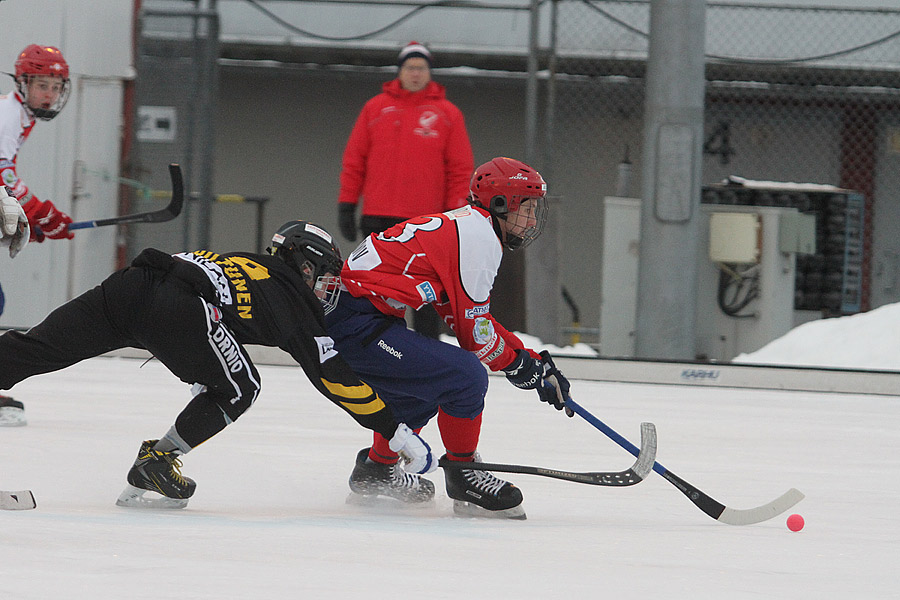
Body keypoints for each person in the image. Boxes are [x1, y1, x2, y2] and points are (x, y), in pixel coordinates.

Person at [0, 221, 435, 507]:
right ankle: (158, 461)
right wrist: (393, 428)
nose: (325, 289)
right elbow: (333, 378)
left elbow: (205, 309)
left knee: (36, 348)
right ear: (304, 267)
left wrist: (199, 367)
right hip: (177, 306)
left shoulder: (250, 265)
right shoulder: (293, 298)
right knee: (240, 387)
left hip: (132, 284)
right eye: (324, 277)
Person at [326, 157, 573, 520]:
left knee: (429, 380)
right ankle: (464, 476)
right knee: (463, 375)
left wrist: (528, 359)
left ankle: (377, 470)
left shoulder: (467, 228)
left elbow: (468, 319)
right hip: (355, 323)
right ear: (500, 204)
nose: (533, 220)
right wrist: (521, 366)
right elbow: (476, 338)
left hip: (359, 319)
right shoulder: (480, 239)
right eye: (527, 208)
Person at [337, 41, 474, 339]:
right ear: (399, 71)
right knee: (375, 289)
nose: (415, 73)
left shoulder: (448, 114)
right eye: (410, 67)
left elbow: (460, 169)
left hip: (426, 223)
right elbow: (354, 160)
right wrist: (347, 204)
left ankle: (427, 350)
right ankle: (376, 344)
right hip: (377, 216)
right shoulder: (375, 108)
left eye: (421, 68)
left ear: (430, 73)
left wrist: (457, 213)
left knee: (425, 293)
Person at [0, 44, 75, 426]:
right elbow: (2, 176)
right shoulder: (7, 116)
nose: (49, 94)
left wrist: (29, 220)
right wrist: (41, 213)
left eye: (55, 87)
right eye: (42, 84)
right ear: (23, 82)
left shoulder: (19, 117)